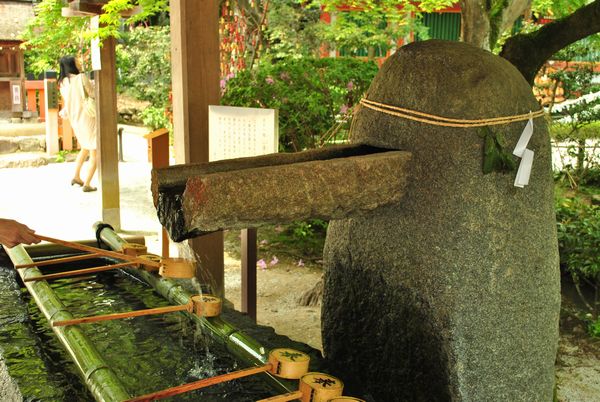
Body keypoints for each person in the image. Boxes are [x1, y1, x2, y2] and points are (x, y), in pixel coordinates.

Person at [58, 55, 97, 192]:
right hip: (89, 117)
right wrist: (93, 84)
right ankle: (87, 183)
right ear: (71, 64)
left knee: (85, 147)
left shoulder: (62, 83)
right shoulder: (81, 78)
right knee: (94, 151)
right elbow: (92, 94)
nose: (79, 63)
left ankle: (76, 176)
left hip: (76, 120)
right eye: (76, 61)